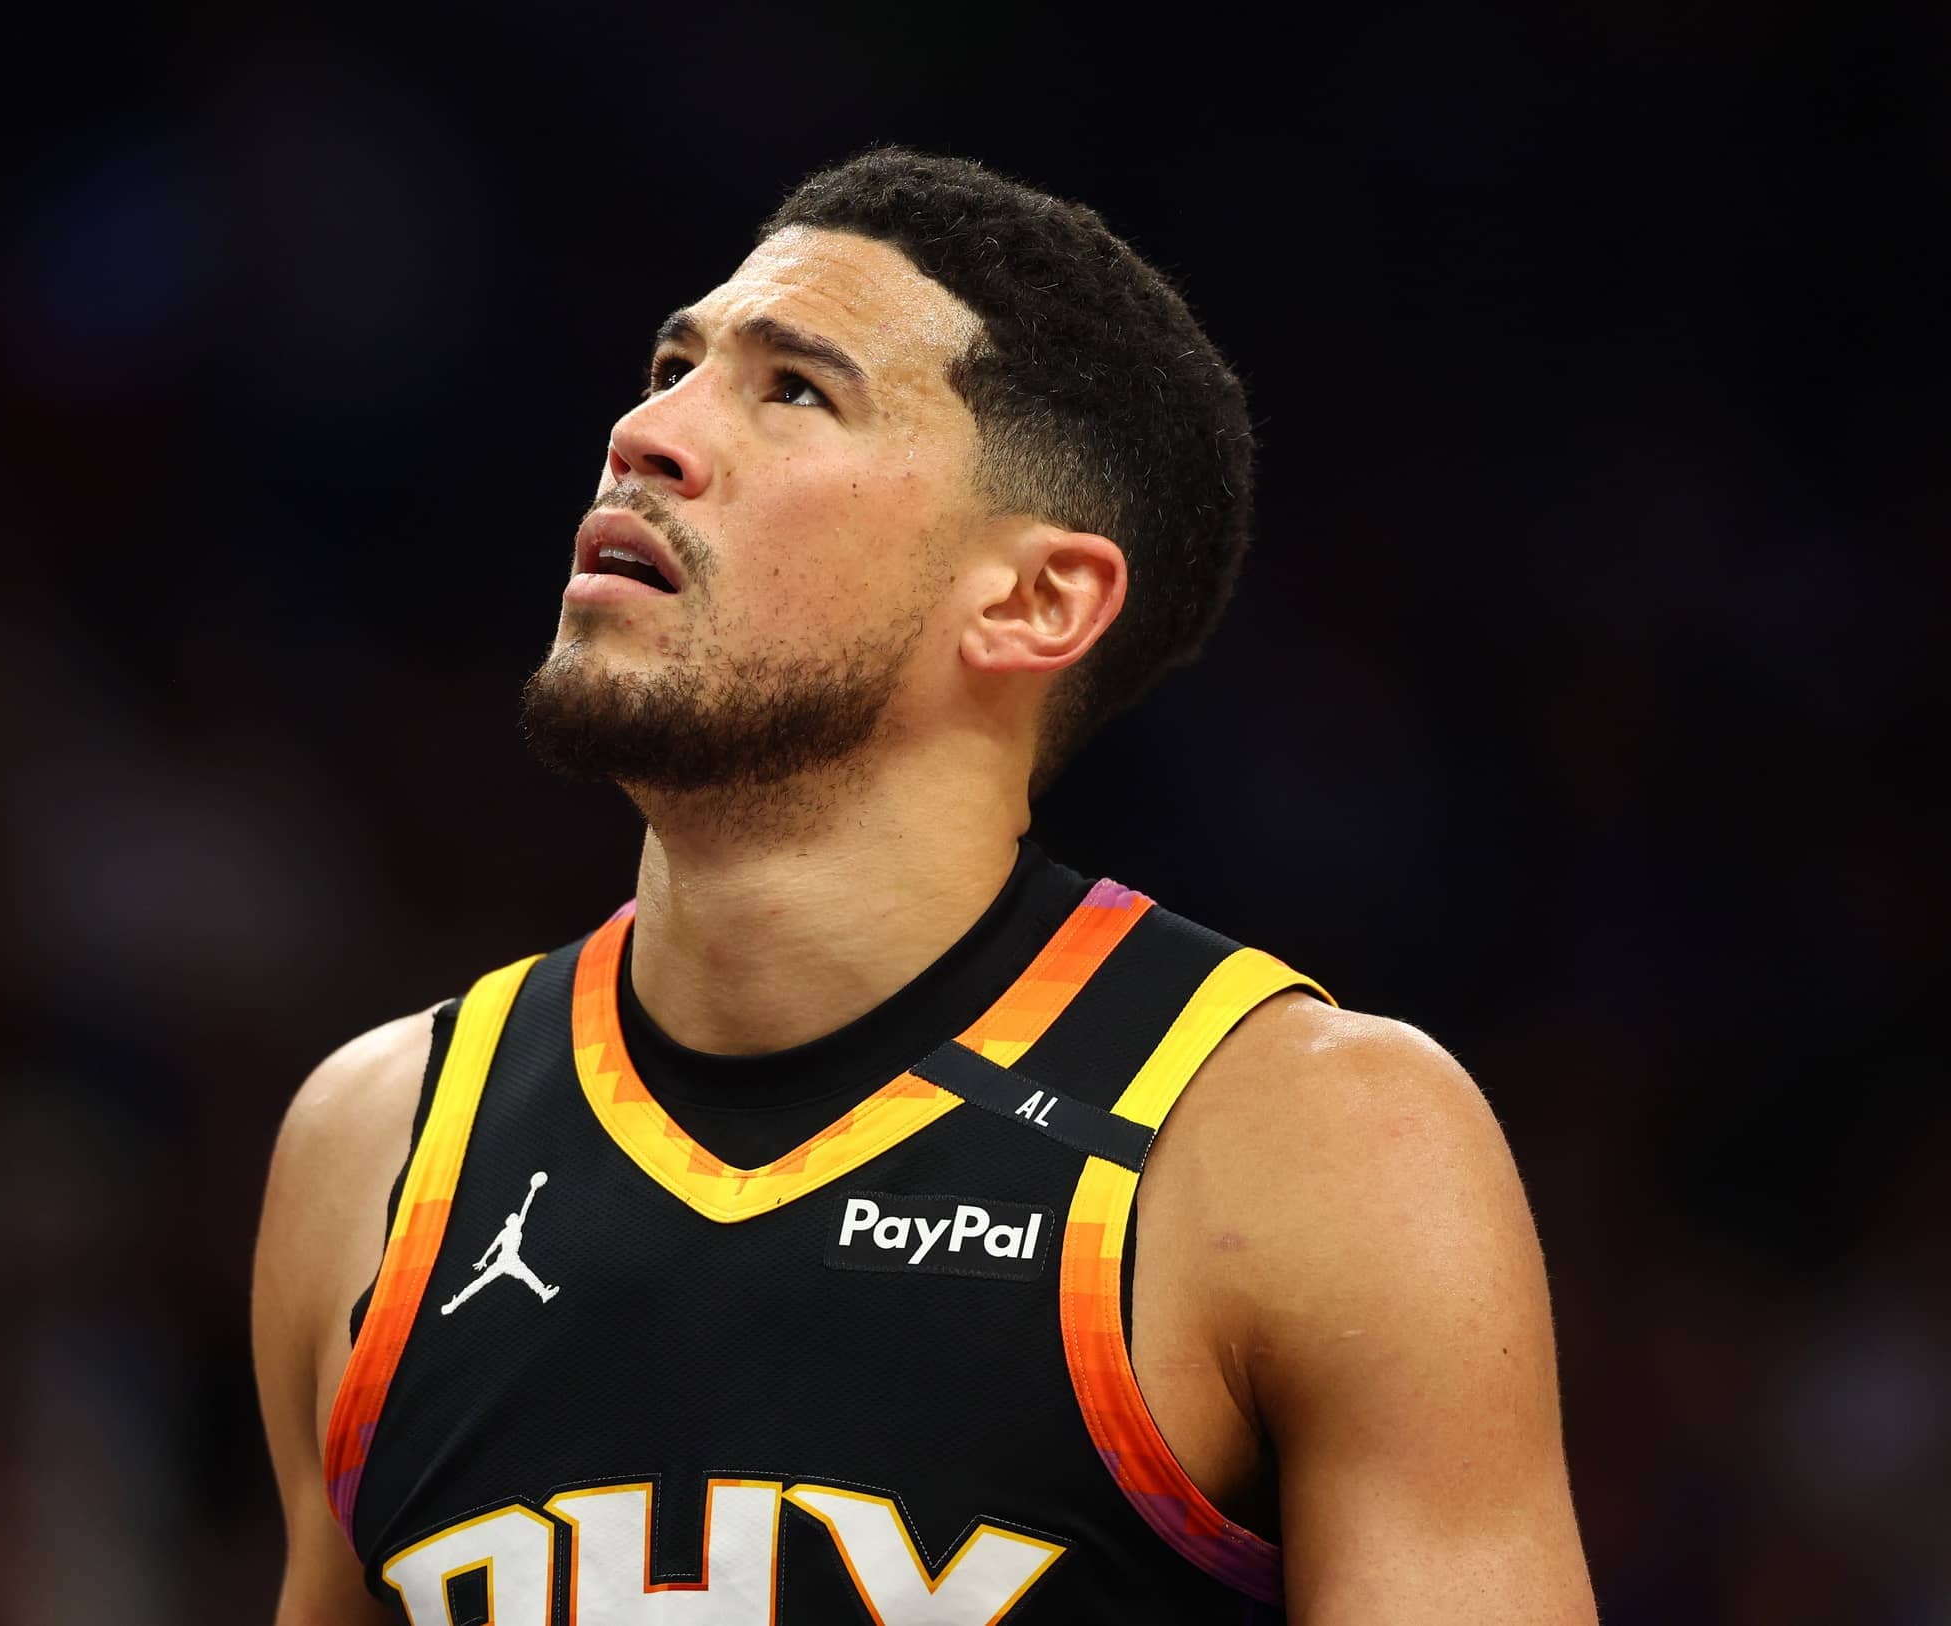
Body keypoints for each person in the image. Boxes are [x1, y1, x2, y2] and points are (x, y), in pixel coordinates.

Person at [254, 147, 1594, 1624]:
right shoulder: (373, 1141)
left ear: (1033, 600)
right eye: (673, 363)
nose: (649, 431)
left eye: (794, 390)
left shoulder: (1307, 1141)